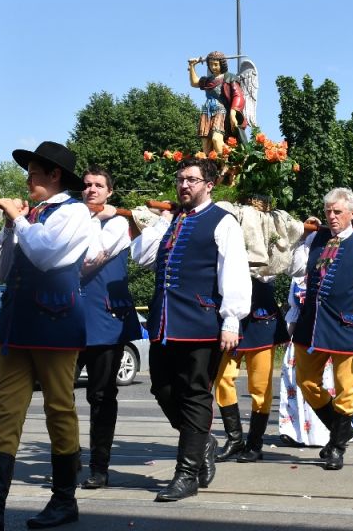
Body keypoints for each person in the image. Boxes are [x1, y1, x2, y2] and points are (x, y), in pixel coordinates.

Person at [0, 141, 94, 530]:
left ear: (54, 175)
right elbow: (2, 271)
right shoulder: (34, 214)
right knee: (6, 412)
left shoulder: (76, 212)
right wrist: (11, 227)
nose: (26, 179)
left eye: (33, 172)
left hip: (56, 324)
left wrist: (20, 219)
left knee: (59, 409)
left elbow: (47, 254)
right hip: (19, 323)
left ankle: (64, 501)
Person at [130, 156, 251, 501]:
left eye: (192, 180)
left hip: (201, 323)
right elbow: (139, 256)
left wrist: (231, 319)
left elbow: (235, 270)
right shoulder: (172, 221)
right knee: (163, 389)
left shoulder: (222, 221)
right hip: (165, 323)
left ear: (209, 185)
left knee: (196, 394)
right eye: (181, 179)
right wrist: (160, 221)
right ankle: (205, 441)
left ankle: (186, 474)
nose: (184, 185)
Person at [290, 187, 353, 470]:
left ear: (351, 214)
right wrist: (301, 237)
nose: (331, 217)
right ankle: (341, 429)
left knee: (346, 388)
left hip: (346, 326)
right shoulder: (316, 239)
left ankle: (336, 447)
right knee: (306, 381)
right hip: (311, 325)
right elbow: (296, 270)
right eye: (328, 212)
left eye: (337, 212)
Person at [77, 166, 142, 489]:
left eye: (98, 186)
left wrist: (86, 220)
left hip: (105, 320)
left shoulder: (116, 223)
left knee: (101, 395)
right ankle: (67, 453)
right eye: (86, 185)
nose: (91, 190)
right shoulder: (71, 219)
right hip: (70, 318)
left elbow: (89, 258)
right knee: (56, 393)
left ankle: (98, 466)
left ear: (109, 193)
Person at [213, 274, 289, 463]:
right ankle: (235, 440)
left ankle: (255, 444)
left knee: (260, 387)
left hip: (260, 322)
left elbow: (271, 272)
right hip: (231, 322)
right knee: (222, 379)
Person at [278, 275, 334, 448]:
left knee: (320, 385)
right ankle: (293, 431)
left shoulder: (330, 275)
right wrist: (286, 336)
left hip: (323, 337)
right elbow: (294, 310)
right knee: (294, 385)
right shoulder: (297, 280)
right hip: (300, 339)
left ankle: (327, 433)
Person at [188, 51, 245, 155]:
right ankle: (210, 167)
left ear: (221, 64)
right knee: (206, 144)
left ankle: (228, 161)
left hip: (221, 111)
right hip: (207, 111)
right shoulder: (208, 80)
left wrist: (233, 113)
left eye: (216, 64)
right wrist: (192, 66)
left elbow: (238, 95)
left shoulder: (229, 78)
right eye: (210, 64)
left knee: (216, 139)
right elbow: (194, 82)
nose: (213, 67)